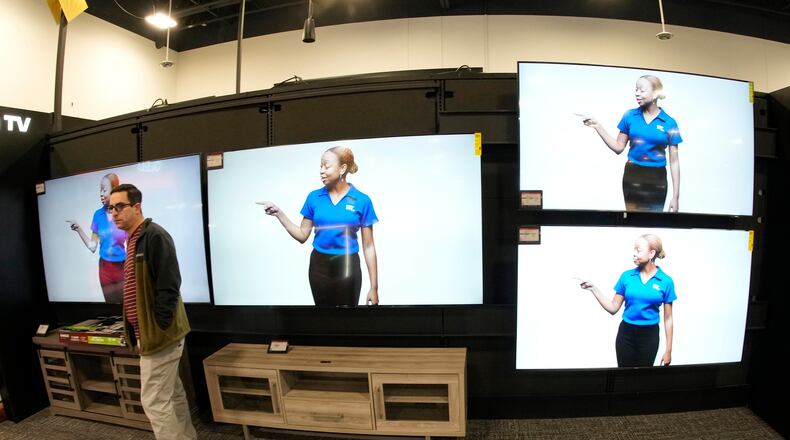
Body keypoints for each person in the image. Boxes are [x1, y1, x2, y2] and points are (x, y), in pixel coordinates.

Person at [108, 183, 196, 439]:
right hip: (149, 334)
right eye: (111, 208)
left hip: (160, 335)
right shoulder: (133, 240)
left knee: (154, 402)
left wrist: (159, 326)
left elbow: (169, 285)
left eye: (120, 206)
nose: (114, 213)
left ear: (137, 207)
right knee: (172, 394)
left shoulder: (154, 236)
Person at [260, 146, 379, 307]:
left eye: (326, 166)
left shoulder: (362, 200)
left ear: (342, 168)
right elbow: (302, 235)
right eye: (320, 166)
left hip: (348, 266)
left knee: (347, 321)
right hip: (319, 267)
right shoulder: (314, 197)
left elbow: (369, 246)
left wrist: (374, 287)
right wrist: (279, 213)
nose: (321, 171)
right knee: (323, 319)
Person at [579, 75, 682, 212]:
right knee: (633, 221)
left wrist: (676, 196)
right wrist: (597, 126)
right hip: (633, 175)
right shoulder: (629, 116)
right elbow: (618, 147)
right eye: (636, 89)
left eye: (642, 90)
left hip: (657, 179)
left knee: (654, 222)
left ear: (656, 93)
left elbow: (674, 161)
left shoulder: (670, 123)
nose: (637, 93)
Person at [579, 234, 676, 367]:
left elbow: (668, 319)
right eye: (634, 249)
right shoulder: (627, 276)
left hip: (649, 336)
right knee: (624, 379)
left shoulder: (666, 281)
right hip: (626, 334)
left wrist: (668, 350)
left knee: (642, 380)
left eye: (638, 250)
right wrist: (593, 288)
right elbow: (613, 308)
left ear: (651, 253)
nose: (634, 254)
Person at [66, 173, 127, 303]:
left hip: (122, 268)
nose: (101, 193)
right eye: (100, 190)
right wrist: (78, 229)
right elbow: (92, 247)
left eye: (104, 189)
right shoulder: (98, 215)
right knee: (111, 307)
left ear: (114, 190)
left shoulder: (124, 214)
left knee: (127, 307)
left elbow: (133, 244)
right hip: (104, 268)